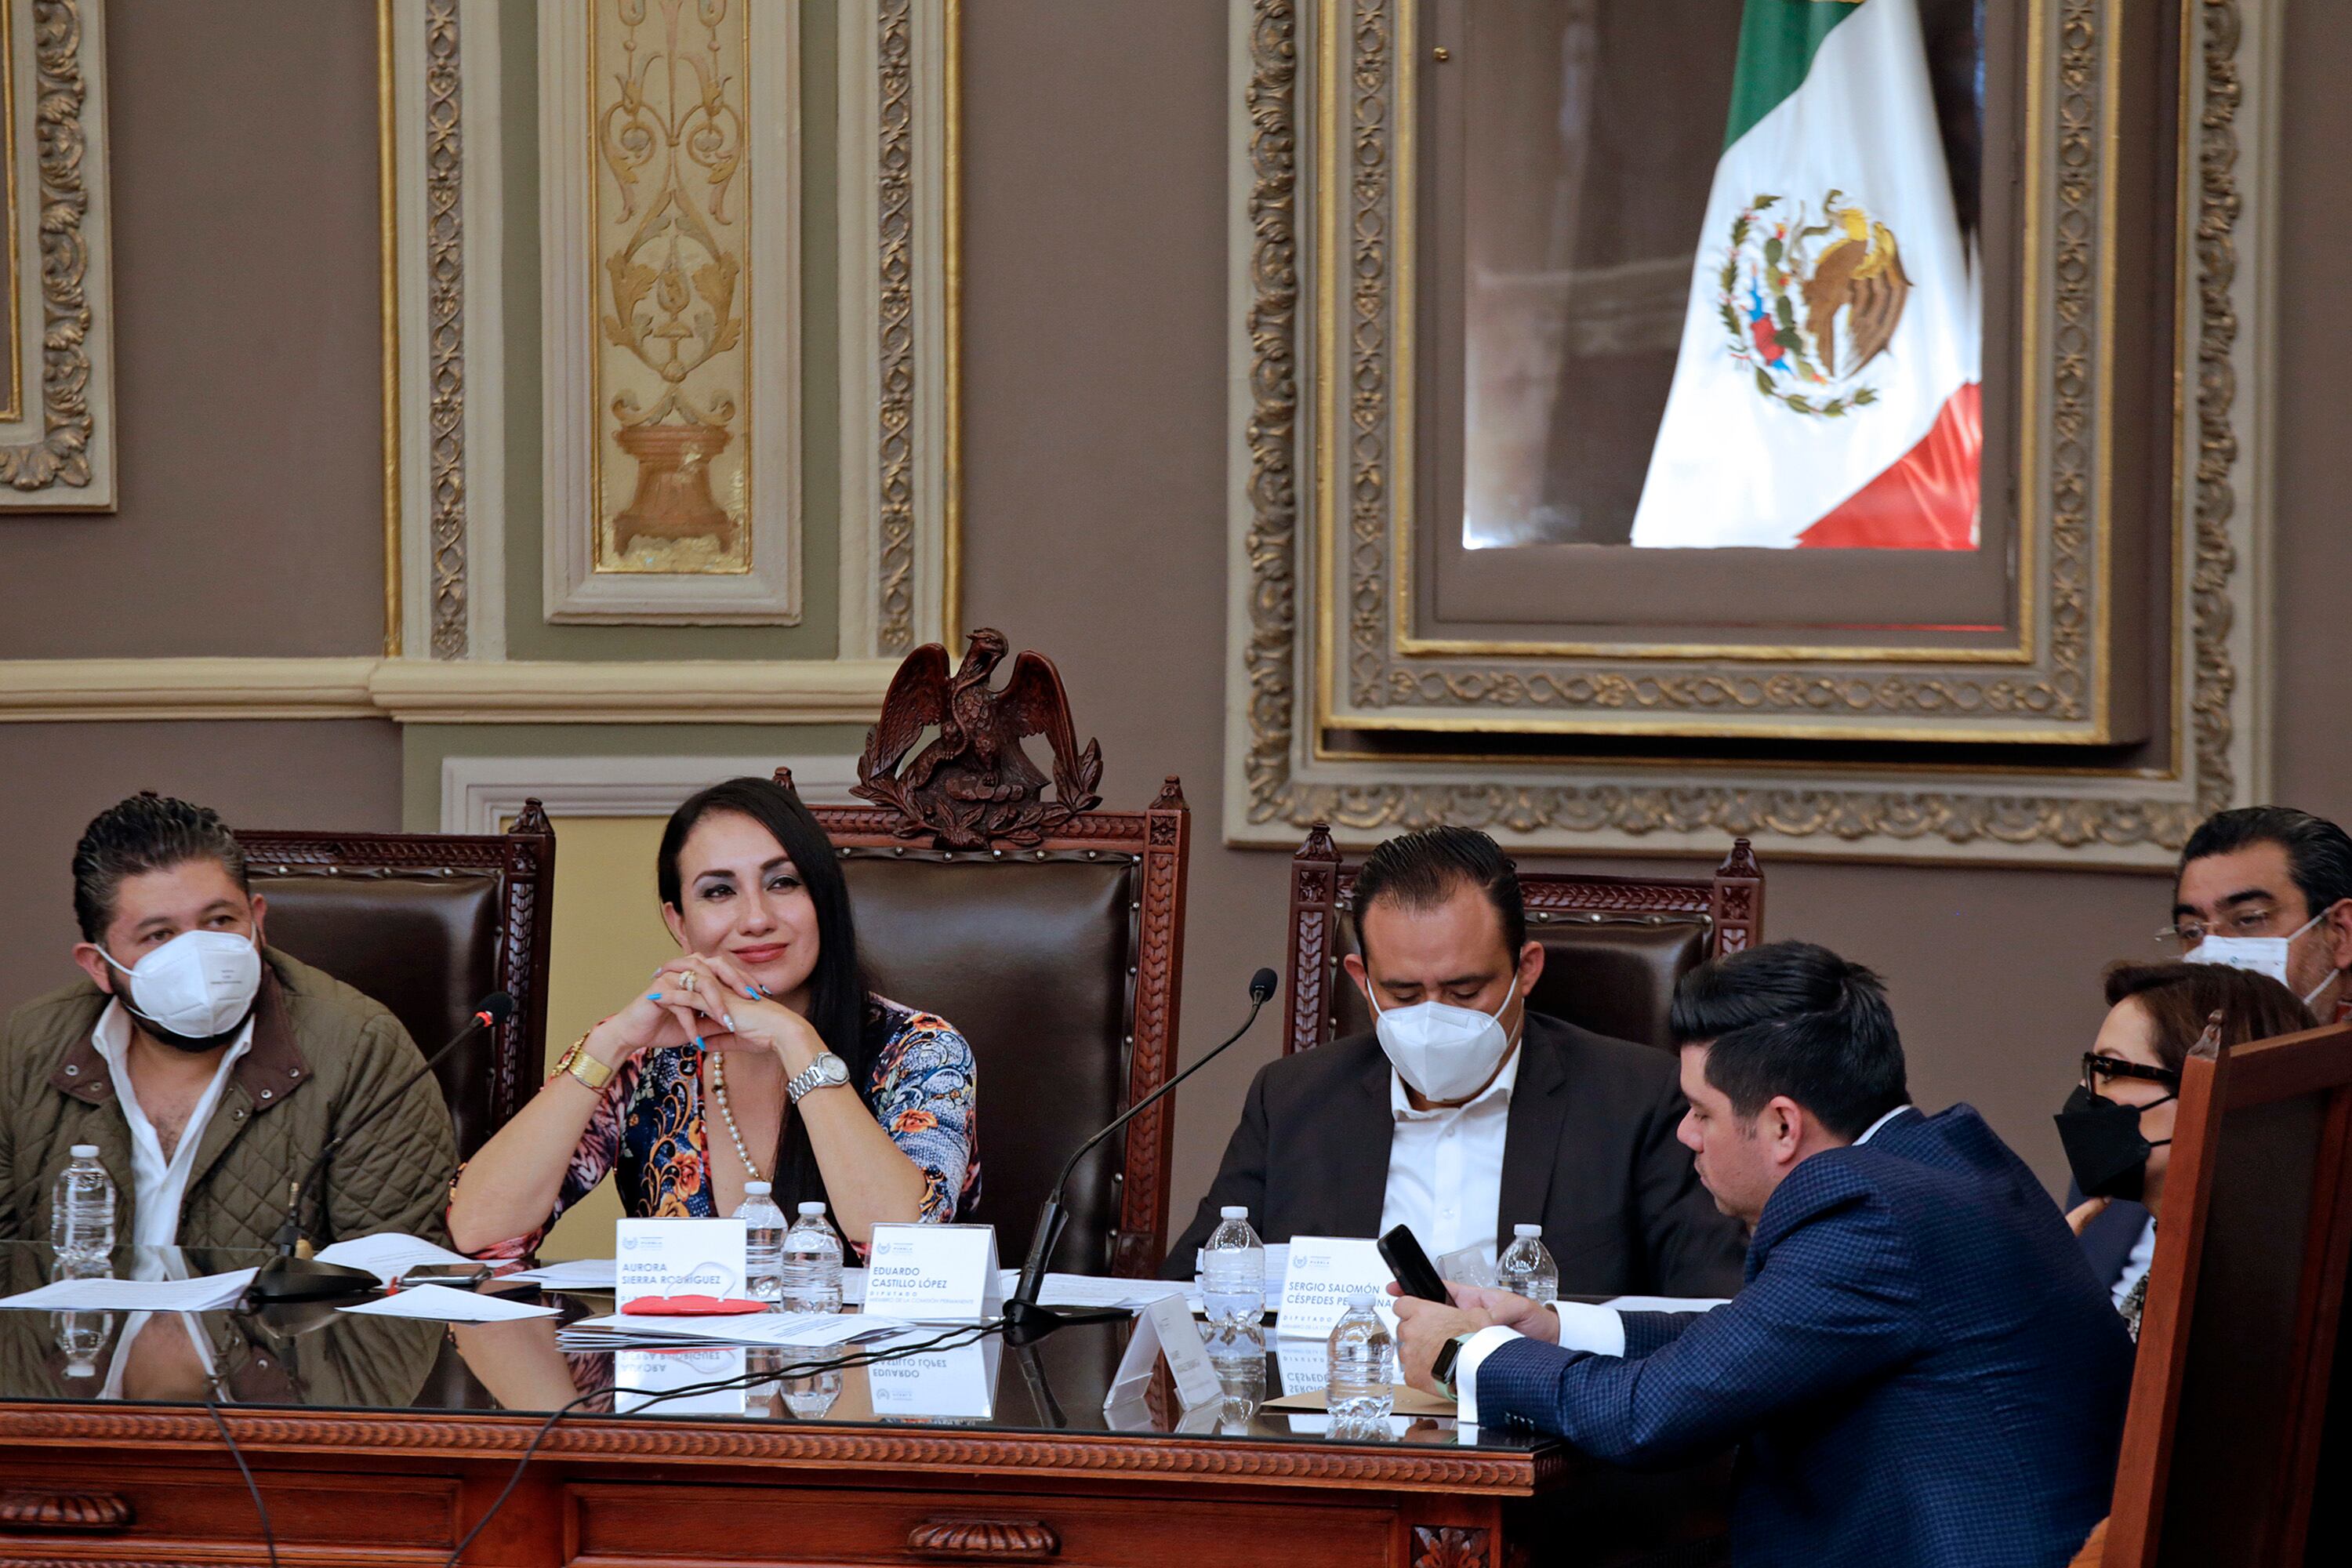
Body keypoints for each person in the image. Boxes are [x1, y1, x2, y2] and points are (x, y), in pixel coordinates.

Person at [1395, 941, 2133, 1568]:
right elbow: (1758, 1336)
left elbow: (1648, 1416)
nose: (1685, 1135)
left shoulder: (1869, 1214)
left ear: (1783, 1125)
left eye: (1701, 1112)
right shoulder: (1941, 1159)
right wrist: (1555, 1329)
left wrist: (1466, 1354)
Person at [1166, 826, 1745, 1297]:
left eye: (1465, 992)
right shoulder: (1292, 1099)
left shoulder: (1638, 1101)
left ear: (1526, 971)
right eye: (1403, 994)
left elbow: (1712, 1308)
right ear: (1362, 981)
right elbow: (1186, 1293)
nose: (1434, 1018)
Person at [448, 776, 978, 1260]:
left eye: (783, 882)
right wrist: (612, 1043)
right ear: (679, 923)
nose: (756, 919)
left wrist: (795, 1040)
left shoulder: (922, 1051)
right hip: (680, 1341)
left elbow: (905, 1248)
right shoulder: (644, 1060)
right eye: (719, 891)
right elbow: (479, 1232)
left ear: (825, 899)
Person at [0, 793, 458, 1251]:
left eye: (220, 920)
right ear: (99, 966)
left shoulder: (361, 1047)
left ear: (257, 920)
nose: (198, 955)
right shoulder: (27, 1046)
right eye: (159, 935)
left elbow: (392, 1273)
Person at [2078, 804, 2352, 1298]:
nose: (2213, 952)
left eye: (2248, 920)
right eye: (2192, 932)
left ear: (2343, 933)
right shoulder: (2137, 1103)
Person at [2057, 960, 2313, 1339]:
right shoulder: (2183, 1260)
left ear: (2207, 1094)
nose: (2085, 1090)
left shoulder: (2253, 1293)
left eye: (2109, 1069)